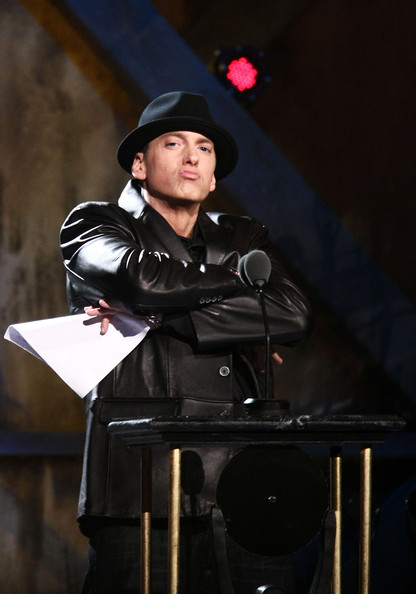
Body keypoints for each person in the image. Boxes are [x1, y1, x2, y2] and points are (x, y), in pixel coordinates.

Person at [60, 91, 312, 594]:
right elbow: (140, 279)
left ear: (214, 176)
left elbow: (292, 314)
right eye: (174, 143)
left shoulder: (240, 236)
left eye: (204, 148)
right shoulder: (96, 224)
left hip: (240, 485)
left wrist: (153, 317)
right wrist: (239, 285)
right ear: (139, 164)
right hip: (140, 485)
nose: (192, 157)